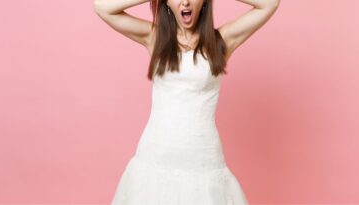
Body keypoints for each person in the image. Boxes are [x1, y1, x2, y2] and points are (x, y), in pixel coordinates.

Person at [93, 0, 280, 204]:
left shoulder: (222, 41)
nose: (185, 2)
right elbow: (103, 7)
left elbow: (269, 4)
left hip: (203, 159)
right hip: (155, 156)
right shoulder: (154, 37)